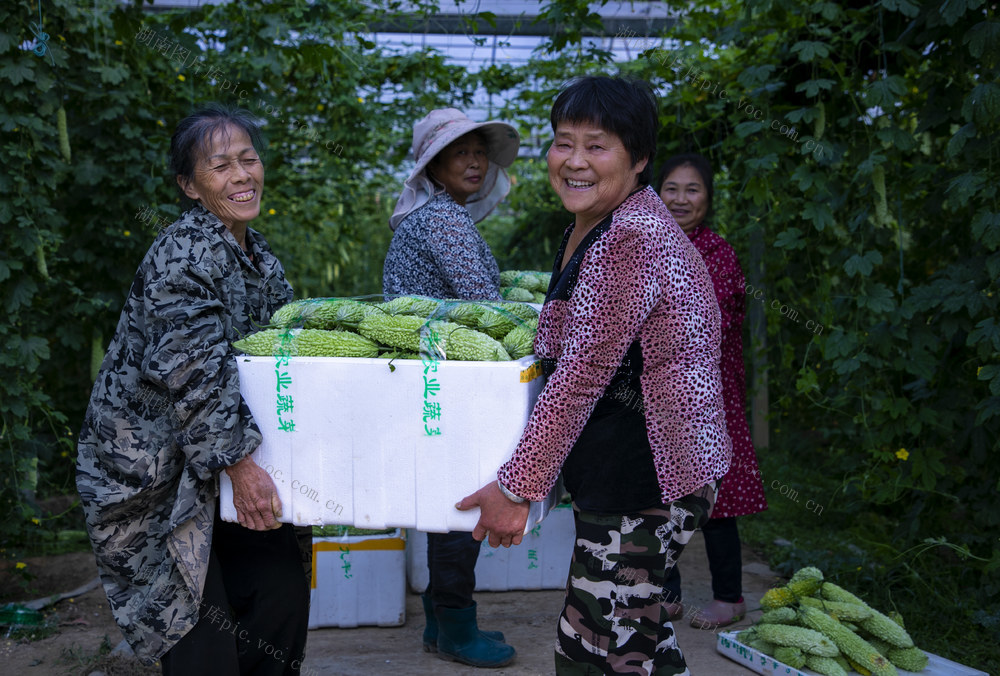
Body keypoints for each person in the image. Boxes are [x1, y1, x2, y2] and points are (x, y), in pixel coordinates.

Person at [458, 76, 732, 675]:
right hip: (636, 469)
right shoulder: (594, 222)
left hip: (649, 478)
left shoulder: (630, 236)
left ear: (639, 159)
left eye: (597, 146)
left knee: (594, 652)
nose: (574, 161)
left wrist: (516, 488)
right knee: (638, 642)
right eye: (563, 142)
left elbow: (581, 374)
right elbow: (562, 340)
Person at [76, 104, 311, 675]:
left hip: (228, 456)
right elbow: (192, 373)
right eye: (221, 166)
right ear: (189, 185)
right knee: (195, 625)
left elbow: (278, 357)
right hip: (158, 474)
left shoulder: (258, 257)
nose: (242, 176)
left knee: (278, 591)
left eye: (249, 159)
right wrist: (240, 467)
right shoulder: (184, 254)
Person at [383, 107, 520, 668]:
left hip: (432, 378)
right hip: (446, 380)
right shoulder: (442, 219)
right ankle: (456, 628)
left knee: (446, 500)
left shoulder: (439, 215)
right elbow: (484, 303)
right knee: (462, 504)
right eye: (459, 152)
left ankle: (441, 625)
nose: (474, 161)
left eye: (479, 152)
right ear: (432, 166)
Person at [657, 153, 768, 629]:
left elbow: (702, 324)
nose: (681, 199)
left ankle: (729, 597)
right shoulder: (646, 243)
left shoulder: (717, 253)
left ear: (708, 198)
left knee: (716, 500)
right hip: (656, 398)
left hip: (710, 398)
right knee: (659, 496)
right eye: (672, 188)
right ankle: (667, 595)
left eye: (692, 189)